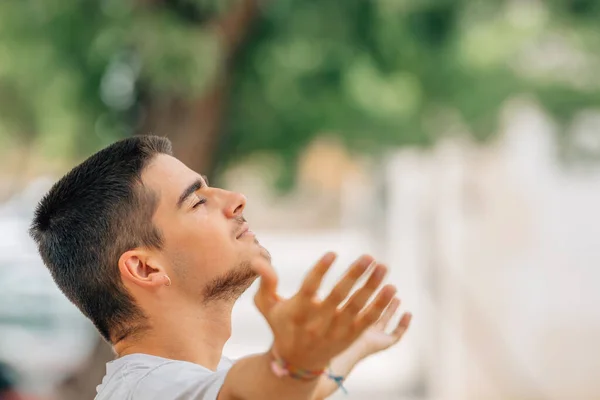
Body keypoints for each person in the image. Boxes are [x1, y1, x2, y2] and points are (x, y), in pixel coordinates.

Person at [29, 135, 412, 400]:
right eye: (196, 202)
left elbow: (287, 389)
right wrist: (295, 360)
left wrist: (349, 349)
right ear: (145, 269)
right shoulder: (148, 390)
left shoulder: (183, 379)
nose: (236, 199)